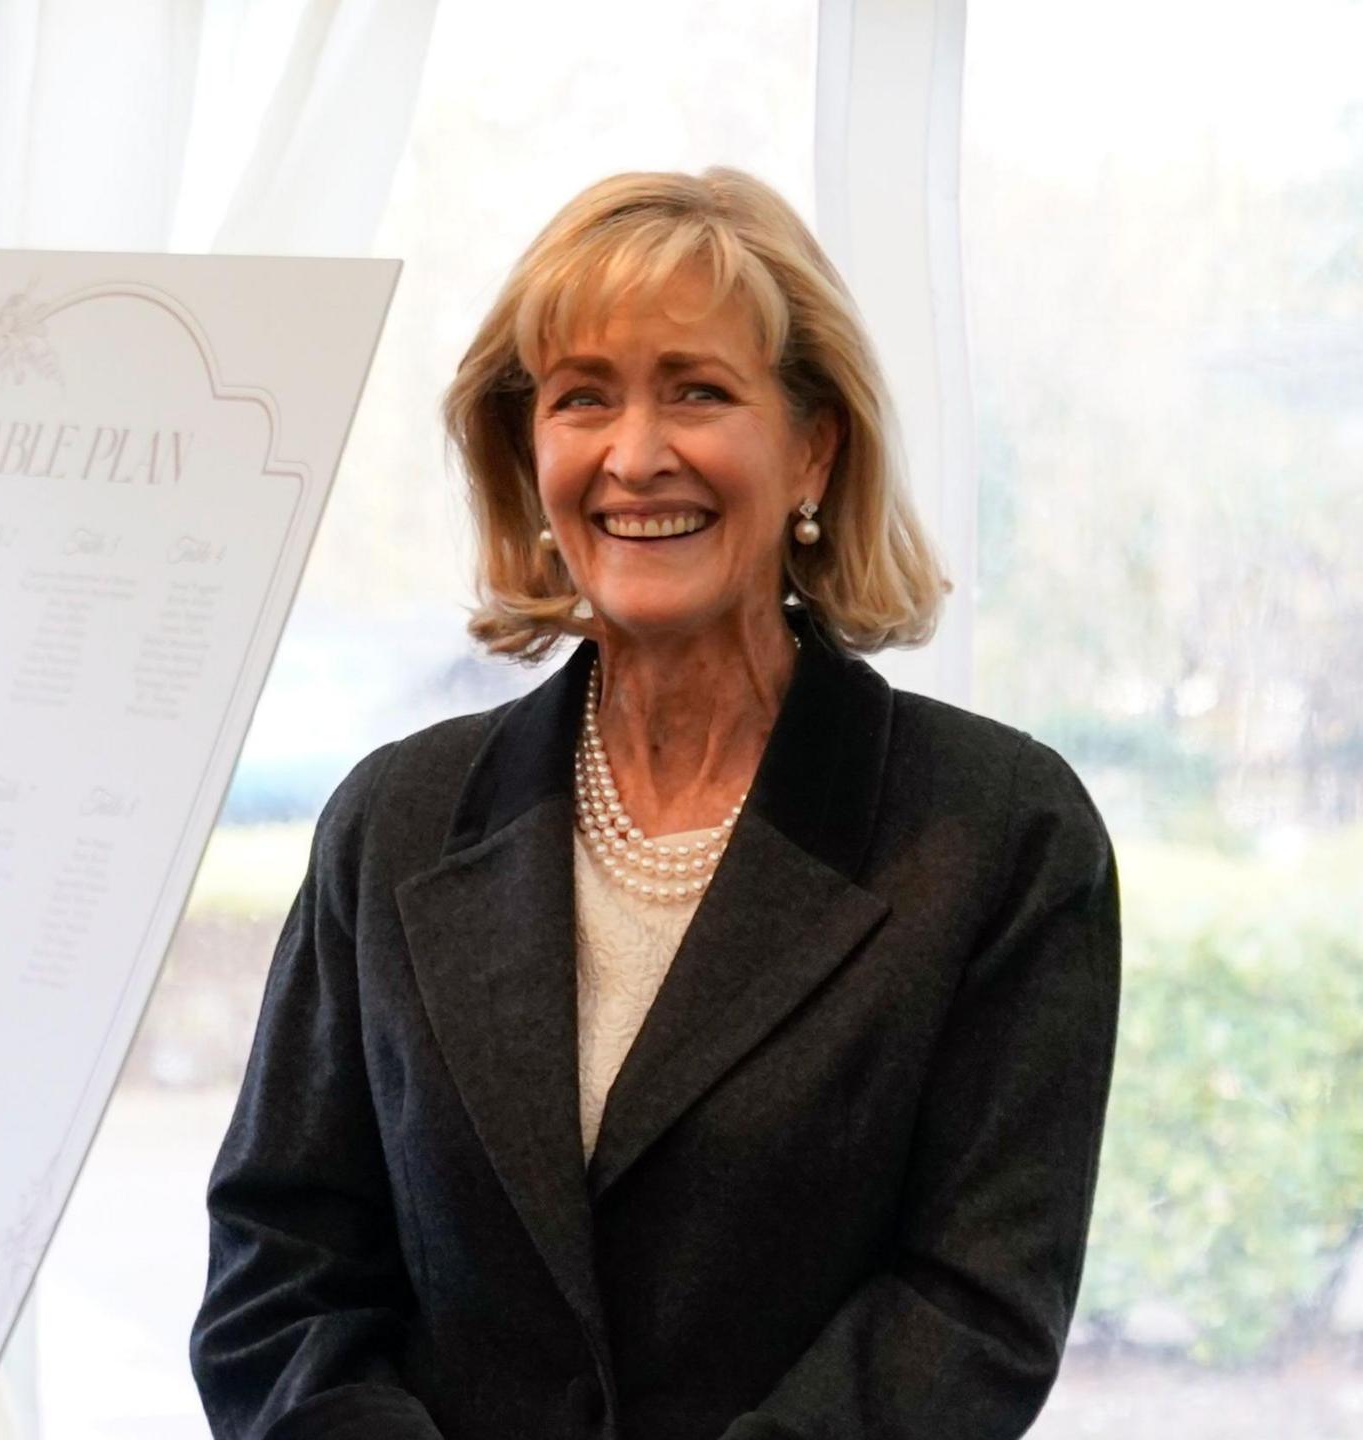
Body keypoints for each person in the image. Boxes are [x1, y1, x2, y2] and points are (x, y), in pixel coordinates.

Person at [191, 168, 1120, 1439]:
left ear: (812, 445)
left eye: (697, 389)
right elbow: (280, 1277)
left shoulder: (997, 835)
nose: (634, 455)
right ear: (530, 455)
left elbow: (972, 1310)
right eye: (582, 397)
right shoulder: (391, 822)